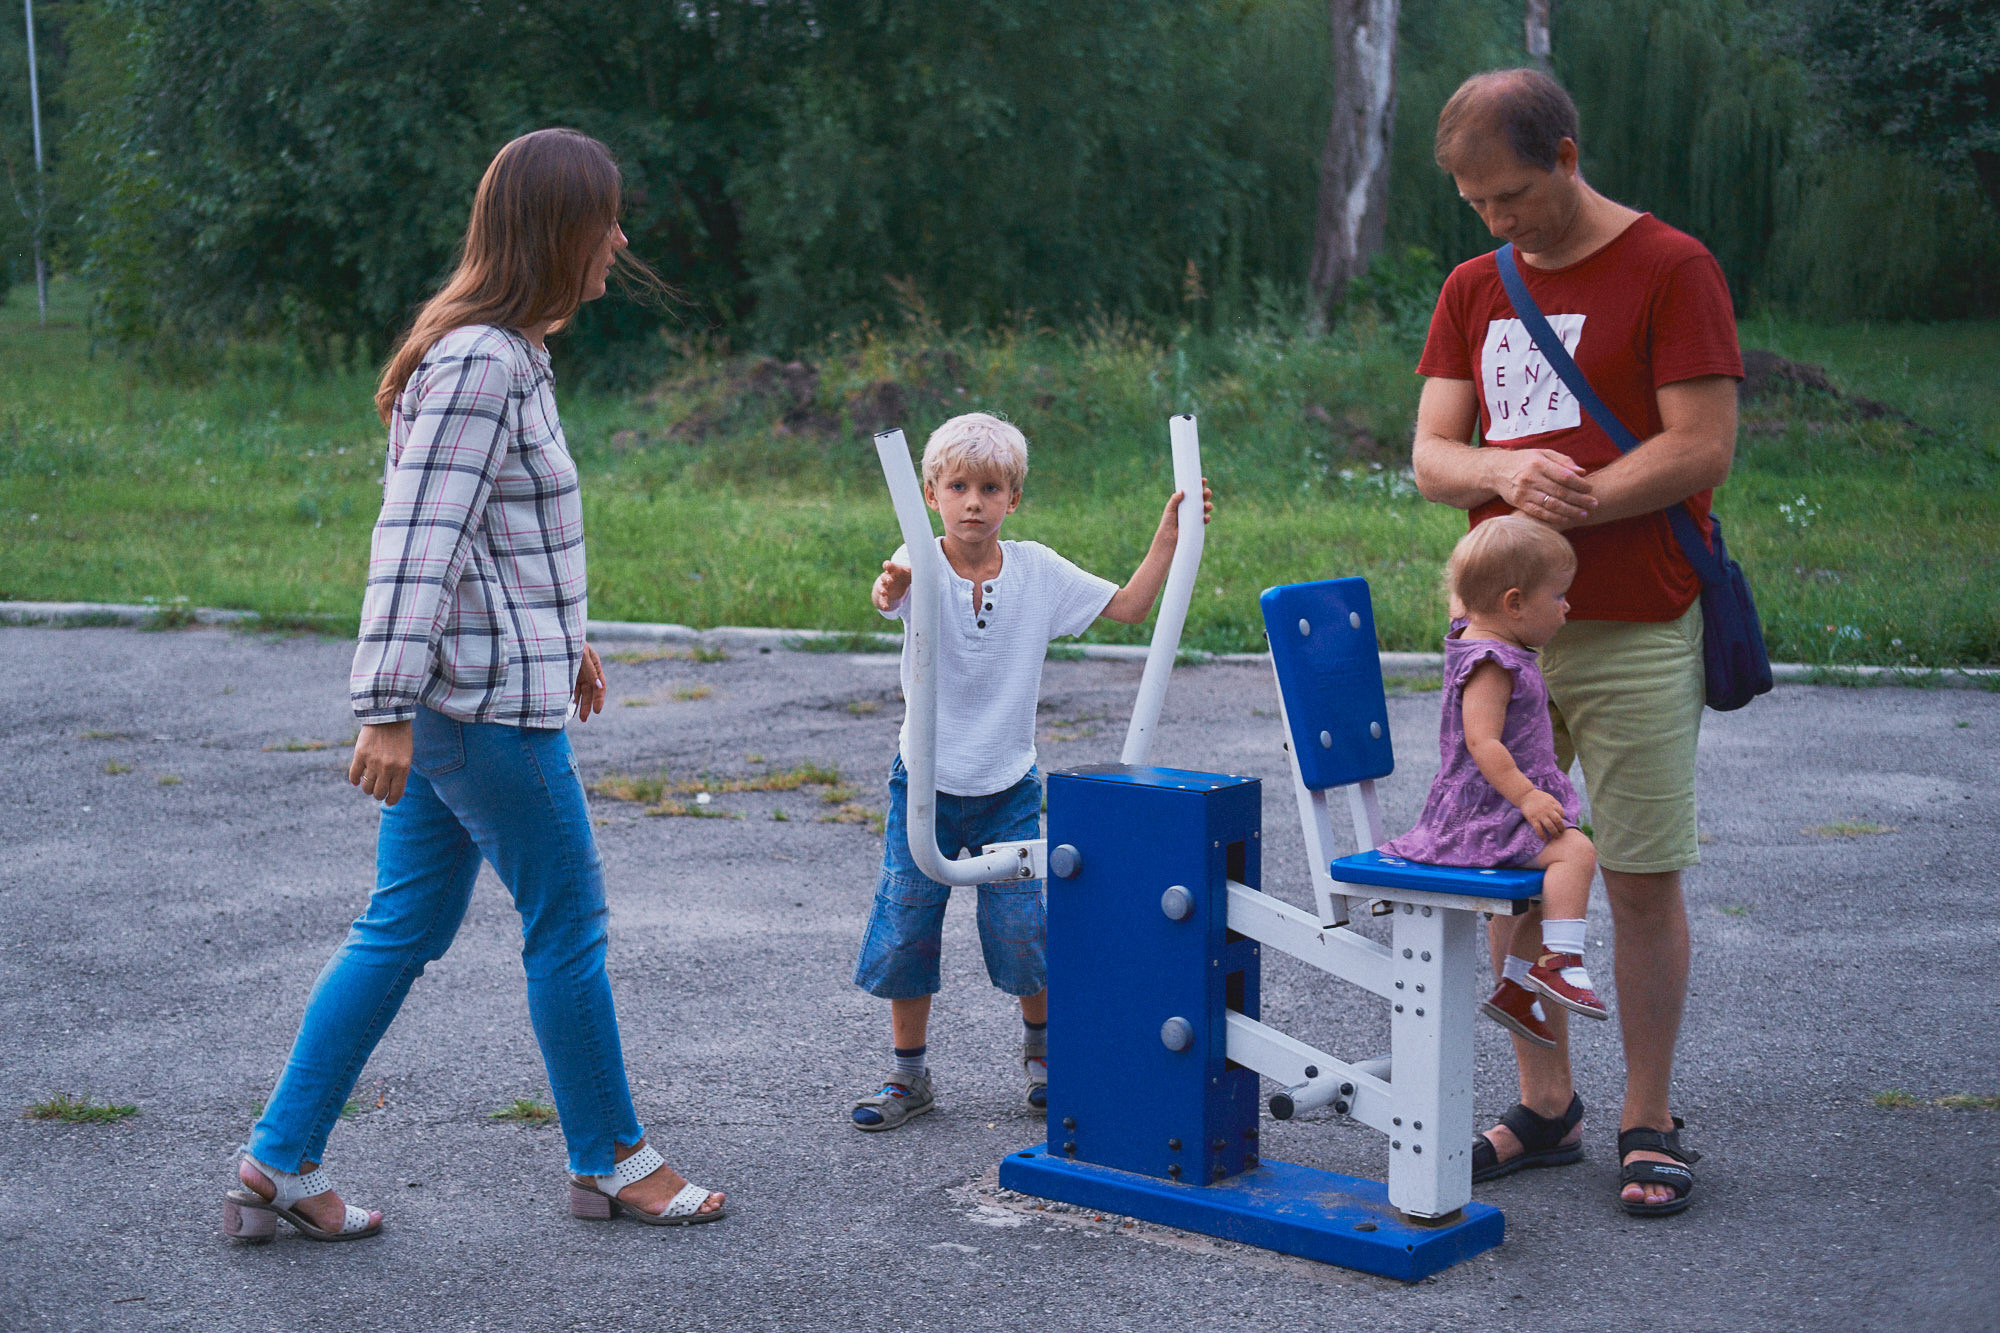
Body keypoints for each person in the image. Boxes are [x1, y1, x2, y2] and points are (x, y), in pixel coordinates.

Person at [221, 128, 725, 1243]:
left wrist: (565, 635)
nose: (620, 238)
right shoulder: (481, 363)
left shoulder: (502, 354)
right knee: (570, 924)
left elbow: (495, 541)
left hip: (480, 691)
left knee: (402, 926)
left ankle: (278, 1161)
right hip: (478, 715)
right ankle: (613, 1160)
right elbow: (417, 542)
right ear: (559, 233)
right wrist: (384, 708)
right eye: (606, 218)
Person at [1410, 69, 1742, 1216]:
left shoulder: (1669, 267)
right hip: (1500, 649)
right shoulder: (1472, 287)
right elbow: (1432, 457)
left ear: (1563, 156)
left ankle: (1646, 1116)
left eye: (1510, 196)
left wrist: (1573, 503)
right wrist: (1501, 471)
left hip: (1637, 622)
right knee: (1510, 882)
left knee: (1640, 878)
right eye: (1473, 204)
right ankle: (1543, 1102)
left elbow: (1700, 447)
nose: (1496, 223)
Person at [850, 413, 1210, 1131]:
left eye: (990, 487)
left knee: (1025, 931)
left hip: (1008, 785)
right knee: (907, 929)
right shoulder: (918, 554)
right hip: (924, 784)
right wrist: (891, 586)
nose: (973, 502)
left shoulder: (1038, 571)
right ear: (930, 494)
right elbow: (891, 591)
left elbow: (1131, 608)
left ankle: (1044, 1059)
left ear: (1013, 499)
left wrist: (1171, 536)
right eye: (959, 486)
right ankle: (908, 1074)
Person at [1380, 516, 1606, 1049]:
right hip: (1486, 813)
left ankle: (1513, 988)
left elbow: (1463, 596)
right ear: (1513, 604)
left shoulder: (1473, 629)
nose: (1567, 607)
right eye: (1558, 596)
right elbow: (1483, 743)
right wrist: (1528, 795)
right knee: (1576, 854)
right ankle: (1560, 961)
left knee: (1543, 892)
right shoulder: (1491, 663)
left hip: (1494, 809)